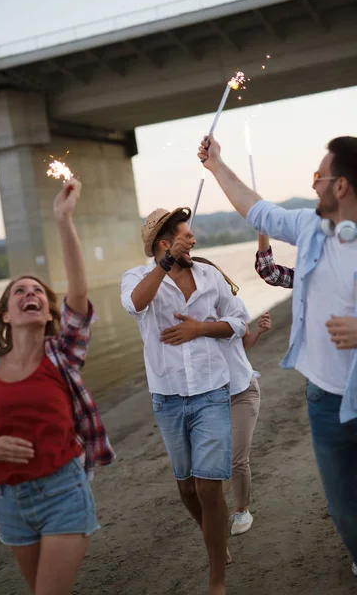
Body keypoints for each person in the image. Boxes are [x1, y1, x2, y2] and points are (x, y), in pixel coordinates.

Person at [198, 134, 357, 577]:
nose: (313, 186)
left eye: (318, 177)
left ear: (340, 186)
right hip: (325, 400)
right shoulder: (310, 227)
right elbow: (257, 208)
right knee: (344, 506)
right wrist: (217, 165)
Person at [0, 178, 115, 595]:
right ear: (5, 315)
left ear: (47, 313)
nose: (31, 294)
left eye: (39, 293)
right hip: (10, 501)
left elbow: (79, 292)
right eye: (19, 291)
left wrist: (63, 218)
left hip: (64, 488)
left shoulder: (62, 355)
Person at [121, 208, 249, 595]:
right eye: (185, 236)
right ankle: (213, 536)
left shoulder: (210, 276)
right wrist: (164, 264)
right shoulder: (138, 278)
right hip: (168, 397)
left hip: (212, 391)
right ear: (165, 243)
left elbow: (239, 321)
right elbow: (135, 304)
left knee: (209, 487)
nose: (194, 240)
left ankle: (217, 580)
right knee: (187, 490)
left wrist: (201, 329)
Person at [190, 256, 271, 535]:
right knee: (215, 462)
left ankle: (241, 511)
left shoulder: (232, 310)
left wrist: (257, 331)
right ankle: (219, 508)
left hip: (243, 391)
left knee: (237, 458)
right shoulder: (191, 318)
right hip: (213, 397)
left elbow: (241, 346)